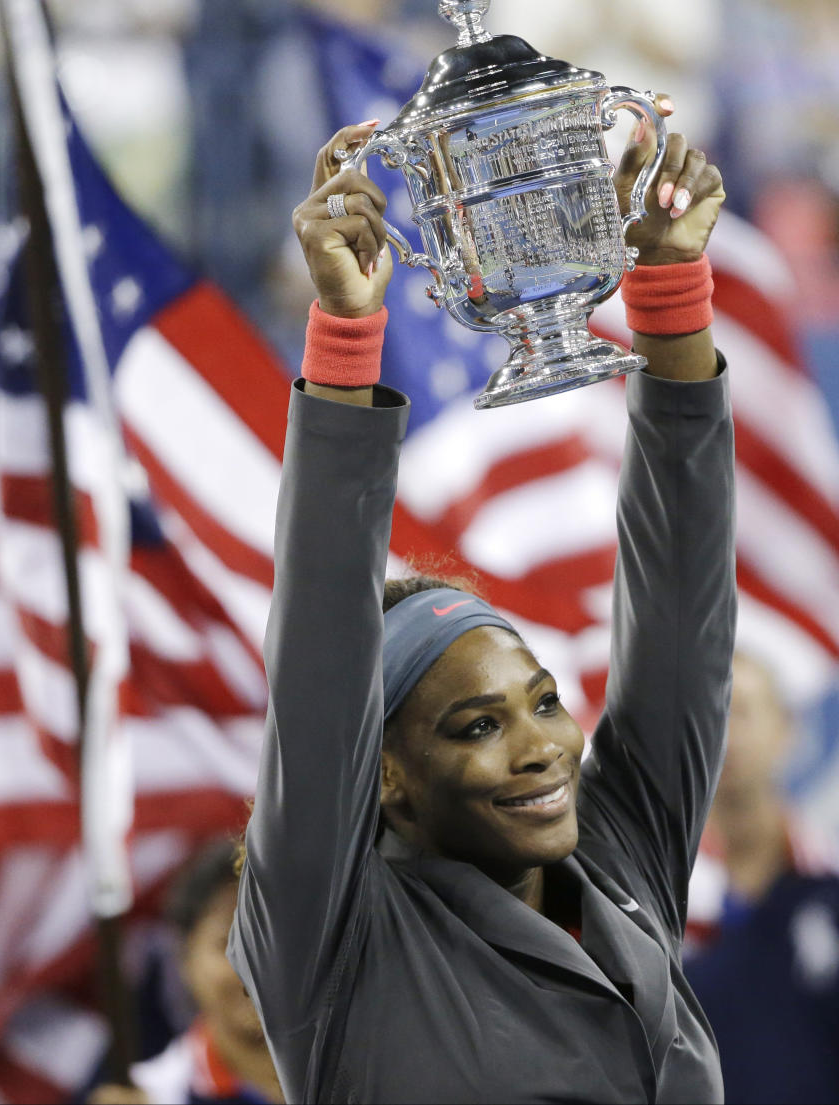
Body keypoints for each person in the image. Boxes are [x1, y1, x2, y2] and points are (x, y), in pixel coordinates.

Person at [228, 101, 734, 1103]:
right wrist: (344, 339)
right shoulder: (334, 941)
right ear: (385, 776)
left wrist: (671, 289)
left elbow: (681, 613)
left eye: (543, 701)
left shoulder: (615, 858)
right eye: (476, 725)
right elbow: (322, 666)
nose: (542, 744)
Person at [683, 650, 839, 1105]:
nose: (727, 736)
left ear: (787, 729)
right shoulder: (648, 908)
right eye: (710, 715)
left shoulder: (828, 879)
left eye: (743, 711)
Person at [90, 838, 283, 1105]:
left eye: (276, 939)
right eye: (228, 941)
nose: (255, 965)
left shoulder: (356, 1075)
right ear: (185, 960)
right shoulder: (148, 1097)